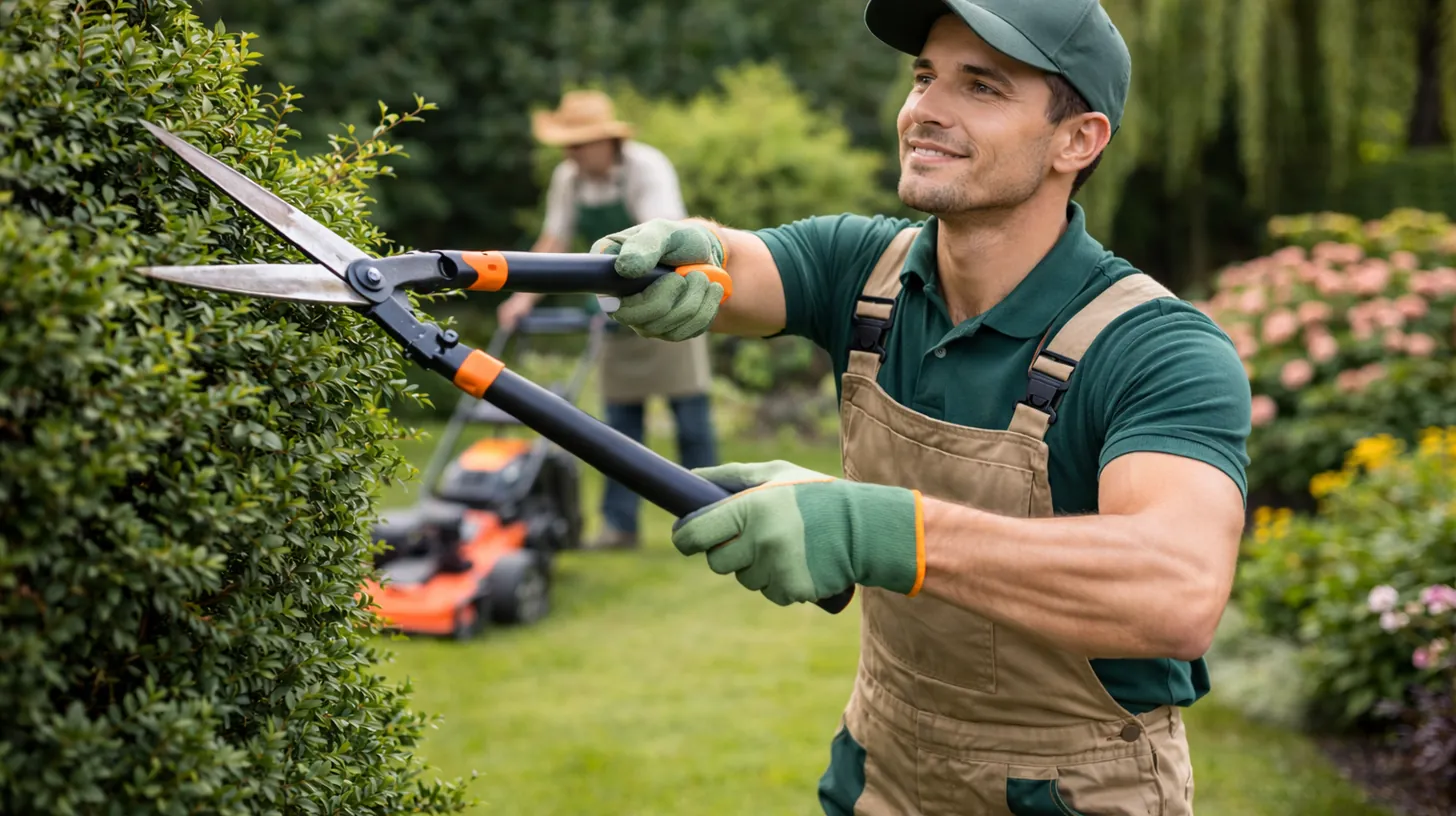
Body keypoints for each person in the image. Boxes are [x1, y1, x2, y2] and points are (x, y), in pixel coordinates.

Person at [585, 1, 1252, 813]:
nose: (925, 110)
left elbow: (1173, 591)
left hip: (1074, 789)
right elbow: (740, 262)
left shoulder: (1158, 350)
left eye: (982, 86)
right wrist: (691, 251)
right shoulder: (866, 271)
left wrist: (874, 527)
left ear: (1077, 140)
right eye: (925, 77)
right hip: (883, 765)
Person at [497, 89, 719, 550]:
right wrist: (521, 298)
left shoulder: (646, 167)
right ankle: (620, 527)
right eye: (567, 145)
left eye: (578, 144)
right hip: (615, 307)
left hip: (670, 303)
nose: (570, 153)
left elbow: (661, 237)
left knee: (690, 418)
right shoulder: (569, 178)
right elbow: (553, 239)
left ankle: (715, 518)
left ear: (604, 141)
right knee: (618, 427)